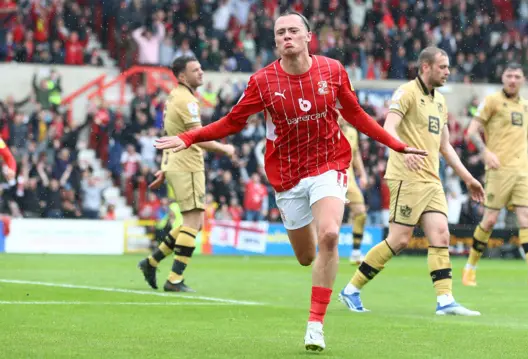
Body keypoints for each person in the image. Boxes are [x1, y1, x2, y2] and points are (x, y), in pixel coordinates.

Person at [154, 11, 425, 352]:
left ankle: (315, 324)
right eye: (280, 32)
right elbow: (232, 122)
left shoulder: (333, 70)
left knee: (329, 234)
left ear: (308, 37)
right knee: (306, 256)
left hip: (328, 164)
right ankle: (315, 259)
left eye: (293, 31)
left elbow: (356, 115)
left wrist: (397, 145)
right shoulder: (263, 82)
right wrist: (190, 138)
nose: (286, 37)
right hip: (287, 176)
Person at [338, 47, 484, 316]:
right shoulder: (406, 93)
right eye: (443, 67)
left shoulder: (440, 101)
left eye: (448, 67)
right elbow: (389, 126)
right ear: (426, 67)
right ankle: (351, 289)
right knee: (399, 239)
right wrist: (400, 149)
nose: (448, 72)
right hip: (406, 177)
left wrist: (469, 179)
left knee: (441, 234)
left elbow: (446, 146)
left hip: (431, 179)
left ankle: (445, 300)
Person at [138, 55, 235, 293]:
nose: (201, 72)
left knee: (194, 223)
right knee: (192, 223)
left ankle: (150, 263)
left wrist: (164, 166)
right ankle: (174, 280)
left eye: (201, 68)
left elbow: (170, 133)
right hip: (187, 165)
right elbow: (197, 137)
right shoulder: (187, 101)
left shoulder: (174, 97)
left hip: (176, 163)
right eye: (196, 69)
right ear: (183, 76)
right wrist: (225, 148)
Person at [462, 63, 528, 287]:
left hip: (522, 171)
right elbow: (471, 131)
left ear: (523, 80)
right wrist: (485, 152)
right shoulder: (491, 101)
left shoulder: (527, 106)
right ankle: (470, 268)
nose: (513, 80)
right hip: (499, 170)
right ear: (502, 77)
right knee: (489, 221)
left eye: (517, 76)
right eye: (509, 75)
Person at [339, 116, 369, 264]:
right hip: (330, 179)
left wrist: (362, 174)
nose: (341, 116)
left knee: (361, 213)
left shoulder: (352, 132)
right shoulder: (326, 129)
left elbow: (355, 154)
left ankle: (356, 253)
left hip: (349, 180)